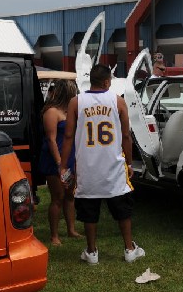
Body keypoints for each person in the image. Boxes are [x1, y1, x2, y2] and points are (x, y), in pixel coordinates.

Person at [60, 64, 145, 265]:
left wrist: (63, 165)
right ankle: (129, 249)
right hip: (113, 166)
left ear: (91, 81)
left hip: (87, 168)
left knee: (89, 209)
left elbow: (69, 135)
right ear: (107, 82)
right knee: (122, 208)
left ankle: (91, 252)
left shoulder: (75, 102)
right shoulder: (118, 101)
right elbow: (126, 136)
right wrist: (129, 162)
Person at [38, 79, 81, 246]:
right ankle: (54, 235)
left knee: (70, 195)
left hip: (70, 159)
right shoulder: (51, 112)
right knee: (58, 196)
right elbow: (51, 139)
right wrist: (59, 164)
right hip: (54, 160)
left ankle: (71, 230)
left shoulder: (69, 111)